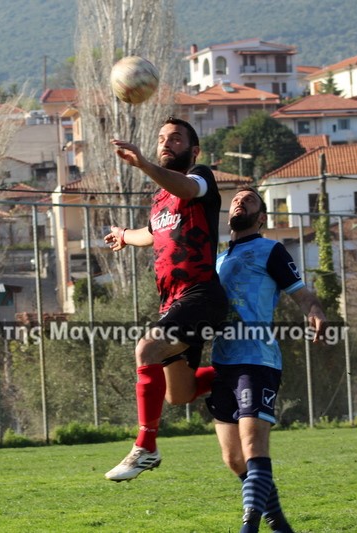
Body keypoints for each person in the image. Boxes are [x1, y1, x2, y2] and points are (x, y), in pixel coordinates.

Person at [103, 117, 228, 482]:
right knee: (179, 394)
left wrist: (143, 164)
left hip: (201, 294)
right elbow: (152, 233)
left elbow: (187, 188)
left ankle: (146, 447)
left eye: (175, 138)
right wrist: (124, 235)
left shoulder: (200, 177)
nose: (166, 143)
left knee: (147, 349)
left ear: (194, 149)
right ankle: (247, 372)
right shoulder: (159, 198)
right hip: (173, 302)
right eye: (161, 138)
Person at [208, 187, 327, 532]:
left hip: (256, 360)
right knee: (234, 459)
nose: (239, 202)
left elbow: (302, 294)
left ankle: (249, 528)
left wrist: (316, 311)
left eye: (249, 200)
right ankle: (280, 524)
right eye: (236, 199)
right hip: (221, 362)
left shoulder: (270, 250)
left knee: (252, 446)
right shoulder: (218, 259)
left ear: (261, 217)